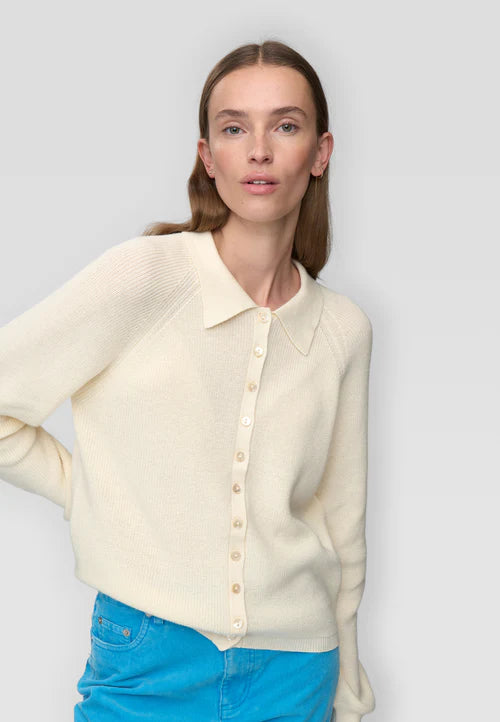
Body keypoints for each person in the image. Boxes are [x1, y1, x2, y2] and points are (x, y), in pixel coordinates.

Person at [0, 40, 376, 722]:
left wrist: (347, 690)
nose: (258, 150)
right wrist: (87, 494)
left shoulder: (343, 329)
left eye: (285, 126)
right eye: (234, 128)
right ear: (208, 156)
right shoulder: (146, 278)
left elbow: (342, 523)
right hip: (148, 655)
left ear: (320, 153)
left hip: (297, 667)